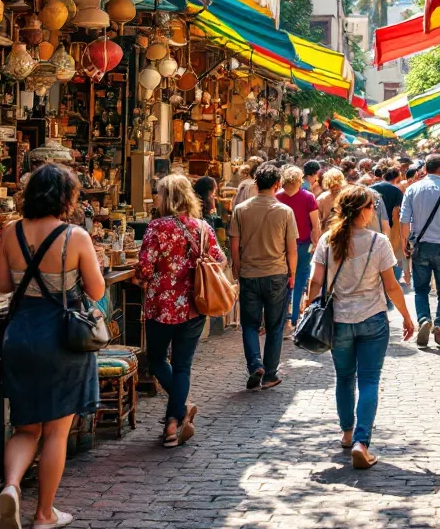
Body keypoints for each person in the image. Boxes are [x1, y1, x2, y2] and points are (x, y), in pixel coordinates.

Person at [0, 163, 106, 529]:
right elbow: (95, 291)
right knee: (56, 431)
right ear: (67, 197)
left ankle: (11, 486)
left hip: (21, 335)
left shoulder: (10, 232)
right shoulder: (75, 236)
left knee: (26, 427)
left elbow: (3, 284)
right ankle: (44, 513)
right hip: (62, 339)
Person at [304, 186, 414, 469]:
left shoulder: (328, 240)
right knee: (369, 380)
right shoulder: (378, 242)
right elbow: (391, 286)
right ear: (361, 211)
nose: (373, 212)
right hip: (372, 320)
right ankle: (362, 443)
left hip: (338, 320)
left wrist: (307, 306)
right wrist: (406, 316)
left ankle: (347, 432)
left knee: (344, 378)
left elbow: (315, 282)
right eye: (370, 207)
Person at [134, 175, 225, 448]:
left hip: (161, 306)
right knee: (183, 365)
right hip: (193, 306)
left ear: (168, 197)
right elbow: (218, 259)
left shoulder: (156, 228)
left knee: (157, 358)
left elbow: (145, 269)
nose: (155, 198)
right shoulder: (201, 227)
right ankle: (174, 422)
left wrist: (140, 276)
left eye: (159, 194)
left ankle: (176, 417)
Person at [230, 162, 298, 390]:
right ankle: (269, 375)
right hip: (277, 273)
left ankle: (255, 364)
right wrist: (293, 274)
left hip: (249, 273)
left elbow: (234, 243)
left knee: (249, 325)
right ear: (278, 184)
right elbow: (292, 248)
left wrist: (237, 267)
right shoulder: (285, 211)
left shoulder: (241, 209)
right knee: (275, 326)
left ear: (256, 183)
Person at [400, 154, 440, 349]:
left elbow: (404, 221)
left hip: (421, 246)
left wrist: (405, 242)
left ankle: (423, 320)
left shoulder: (412, 189)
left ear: (424, 170)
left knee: (420, 289)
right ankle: (439, 325)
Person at [277, 166, 321, 330]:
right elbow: (315, 224)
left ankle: (283, 317)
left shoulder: (276, 197)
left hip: (281, 246)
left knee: (283, 280)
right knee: (300, 281)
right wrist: (315, 243)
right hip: (303, 245)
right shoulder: (308, 197)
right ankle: (294, 316)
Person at [369, 167, 405, 283]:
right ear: (397, 177)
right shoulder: (397, 191)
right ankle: (393, 282)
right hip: (392, 228)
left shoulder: (370, 189)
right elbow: (400, 212)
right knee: (394, 257)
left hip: (373, 227)